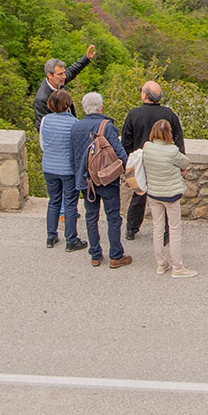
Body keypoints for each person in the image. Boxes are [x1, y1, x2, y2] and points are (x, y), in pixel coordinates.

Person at [122, 80, 185, 242]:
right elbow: (178, 140)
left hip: (141, 161)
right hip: (163, 161)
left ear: (144, 95)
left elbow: (126, 143)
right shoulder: (169, 114)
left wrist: (127, 164)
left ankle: (131, 228)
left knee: (139, 195)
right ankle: (165, 233)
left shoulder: (133, 114)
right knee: (164, 196)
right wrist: (180, 164)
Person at [72, 91, 130, 267]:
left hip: (85, 180)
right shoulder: (107, 126)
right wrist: (128, 171)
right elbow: (120, 153)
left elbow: (73, 156)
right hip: (106, 178)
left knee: (91, 216)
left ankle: (95, 254)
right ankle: (115, 255)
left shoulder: (75, 127)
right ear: (101, 107)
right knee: (113, 216)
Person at [139, 120, 195, 278]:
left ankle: (160, 263)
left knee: (157, 228)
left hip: (154, 192)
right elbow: (185, 162)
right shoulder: (172, 150)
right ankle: (178, 267)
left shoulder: (147, 148)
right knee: (174, 229)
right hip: (171, 194)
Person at [38, 88, 81, 251]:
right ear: (68, 104)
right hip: (68, 169)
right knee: (70, 203)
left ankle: (51, 236)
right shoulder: (74, 123)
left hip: (49, 166)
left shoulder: (45, 120)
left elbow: (43, 144)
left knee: (53, 201)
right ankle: (71, 240)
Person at [32, 46, 98, 129]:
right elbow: (42, 126)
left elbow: (73, 70)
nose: (64, 76)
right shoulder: (42, 99)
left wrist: (87, 58)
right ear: (49, 75)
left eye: (64, 73)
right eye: (60, 74)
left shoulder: (58, 82)